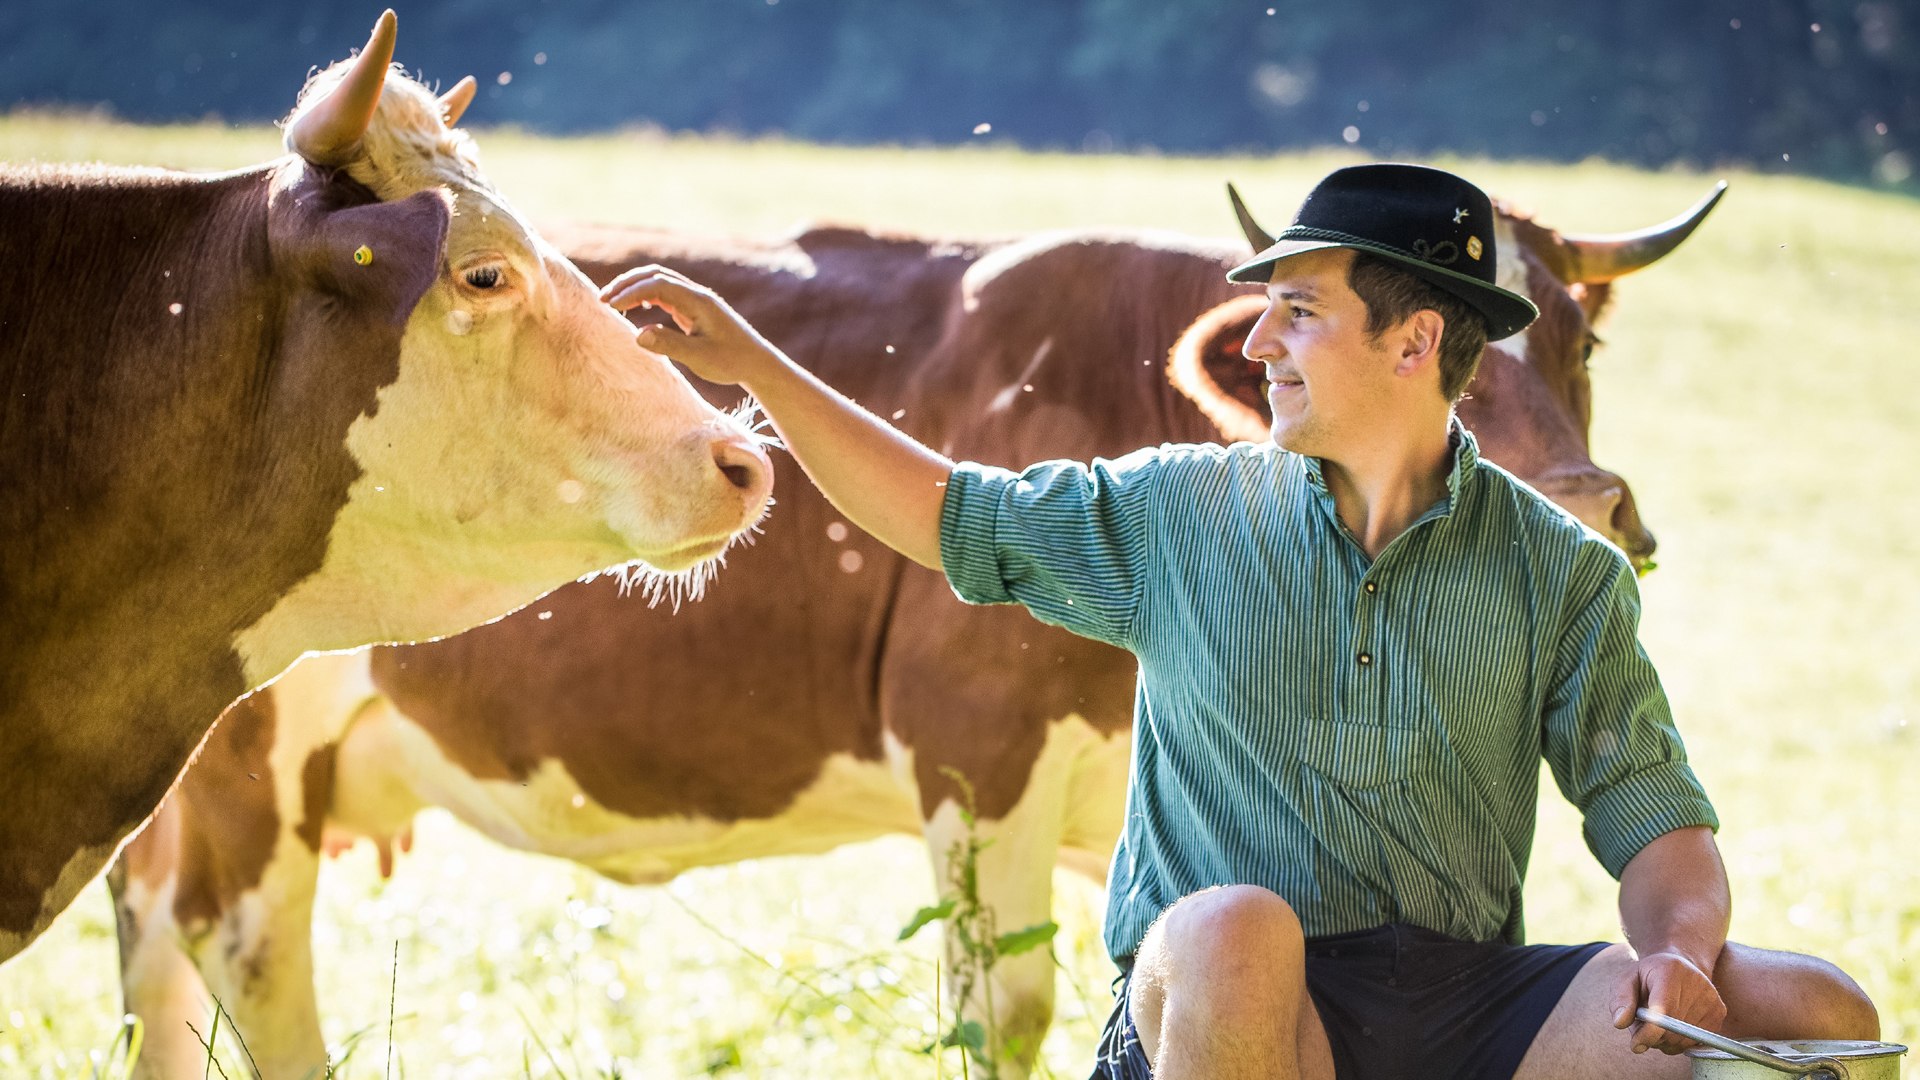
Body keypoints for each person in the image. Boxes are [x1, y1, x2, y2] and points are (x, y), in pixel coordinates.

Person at [596, 163, 1880, 1080]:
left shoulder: (1562, 574)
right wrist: (753, 362)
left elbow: (1660, 825)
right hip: (1216, 1013)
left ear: (1415, 340)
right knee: (1233, 926)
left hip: (1461, 1005)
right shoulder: (1175, 511)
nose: (1255, 335)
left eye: (1300, 308)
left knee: (1813, 1011)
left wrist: (1676, 952)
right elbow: (943, 513)